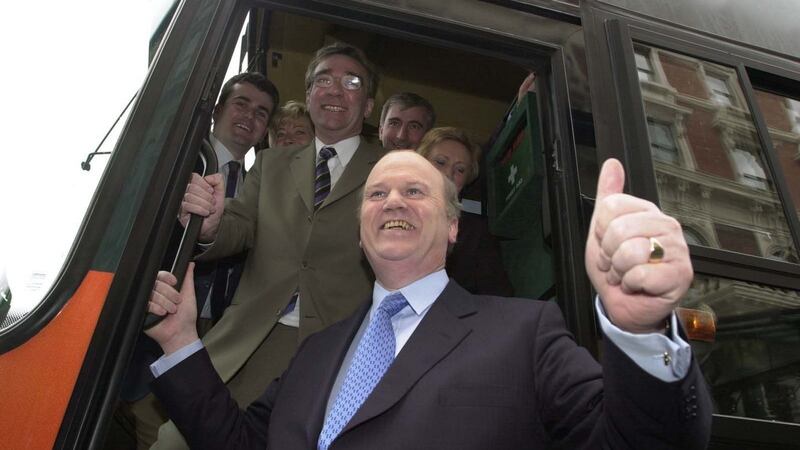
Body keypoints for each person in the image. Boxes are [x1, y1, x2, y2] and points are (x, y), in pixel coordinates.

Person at [146, 151, 712, 450]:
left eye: (415, 191)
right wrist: (180, 342)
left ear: (452, 226)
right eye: (376, 193)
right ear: (361, 225)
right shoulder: (315, 352)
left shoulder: (524, 332)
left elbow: (643, 440)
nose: (394, 199)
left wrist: (640, 330)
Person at [150, 42, 385, 449]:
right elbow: (238, 227)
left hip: (331, 356)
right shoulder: (272, 164)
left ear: (367, 106)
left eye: (351, 82)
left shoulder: (389, 169)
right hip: (246, 341)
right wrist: (208, 227)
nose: (334, 90)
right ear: (309, 95)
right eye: (323, 80)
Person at [117, 72, 278, 450]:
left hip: (223, 335)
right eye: (241, 103)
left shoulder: (267, 186)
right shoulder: (174, 162)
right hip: (161, 326)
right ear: (218, 109)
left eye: (262, 112)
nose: (249, 116)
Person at [416, 126, 514, 296]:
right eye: (440, 162)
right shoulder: (388, 210)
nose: (448, 173)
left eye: (460, 169)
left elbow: (498, 296)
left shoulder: (475, 236)